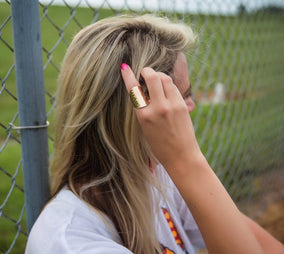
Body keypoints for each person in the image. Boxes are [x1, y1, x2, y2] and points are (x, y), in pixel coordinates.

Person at [25, 15, 284, 254]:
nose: (190, 107)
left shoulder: (155, 178)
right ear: (135, 112)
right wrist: (186, 161)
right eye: (181, 97)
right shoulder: (69, 242)